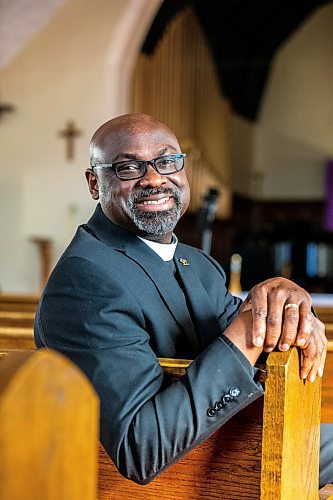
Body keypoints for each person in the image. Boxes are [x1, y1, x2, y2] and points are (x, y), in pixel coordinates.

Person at [34, 113, 331, 486]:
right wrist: (247, 330)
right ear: (95, 184)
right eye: (128, 167)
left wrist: (286, 303)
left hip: (230, 441)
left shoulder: (199, 265)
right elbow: (140, 448)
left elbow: (261, 336)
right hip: (187, 477)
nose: (155, 178)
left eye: (167, 160)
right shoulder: (86, 279)